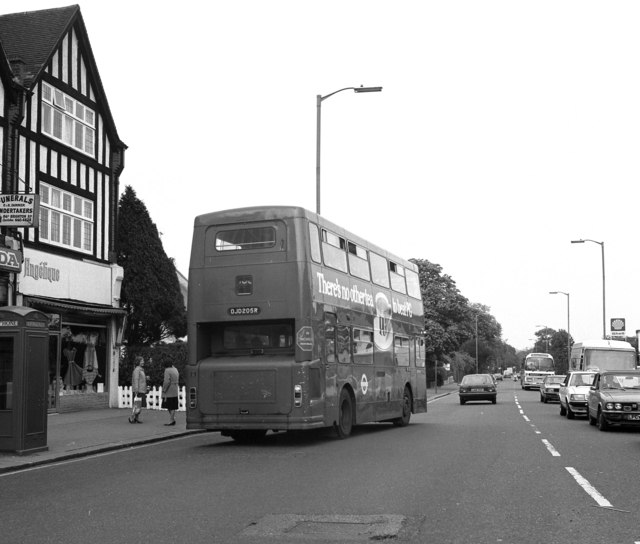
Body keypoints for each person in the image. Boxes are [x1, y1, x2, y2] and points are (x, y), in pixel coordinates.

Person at [162, 360, 180, 426]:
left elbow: (166, 381)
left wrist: (164, 389)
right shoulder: (175, 369)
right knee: (173, 405)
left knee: (169, 405)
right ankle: (172, 419)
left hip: (169, 390)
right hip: (175, 389)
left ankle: (171, 420)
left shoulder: (167, 370)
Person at [130, 355, 147, 423]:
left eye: (143, 360)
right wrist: (136, 389)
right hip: (139, 390)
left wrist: (146, 378)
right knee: (137, 405)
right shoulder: (137, 370)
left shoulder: (141, 369)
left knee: (139, 405)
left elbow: (140, 379)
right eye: (141, 361)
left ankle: (136, 418)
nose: (143, 362)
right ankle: (132, 417)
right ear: (138, 362)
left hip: (142, 389)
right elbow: (136, 379)